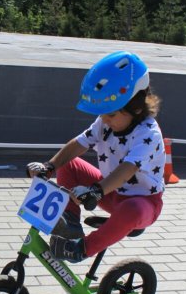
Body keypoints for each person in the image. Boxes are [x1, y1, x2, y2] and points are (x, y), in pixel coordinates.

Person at [27, 51, 165, 263]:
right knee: (69, 164)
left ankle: (82, 249)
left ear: (136, 108)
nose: (104, 120)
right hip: (110, 194)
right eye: (102, 114)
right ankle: (70, 222)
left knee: (131, 209)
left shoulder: (148, 133)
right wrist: (50, 166)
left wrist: (96, 190)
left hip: (144, 203)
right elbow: (78, 144)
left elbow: (127, 169)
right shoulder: (105, 122)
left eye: (110, 114)